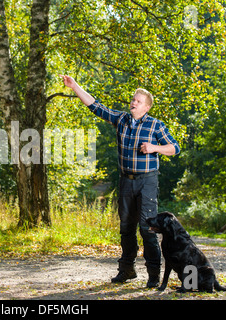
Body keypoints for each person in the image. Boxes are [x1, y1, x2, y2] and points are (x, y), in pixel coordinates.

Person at [60, 75, 180, 288]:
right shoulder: (122, 119)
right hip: (126, 181)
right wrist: (74, 86)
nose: (133, 103)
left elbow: (174, 148)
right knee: (126, 228)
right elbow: (96, 106)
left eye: (138, 101)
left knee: (147, 228)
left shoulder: (155, 126)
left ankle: (154, 275)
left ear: (147, 108)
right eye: (133, 99)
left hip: (147, 181)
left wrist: (154, 148)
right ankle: (126, 270)